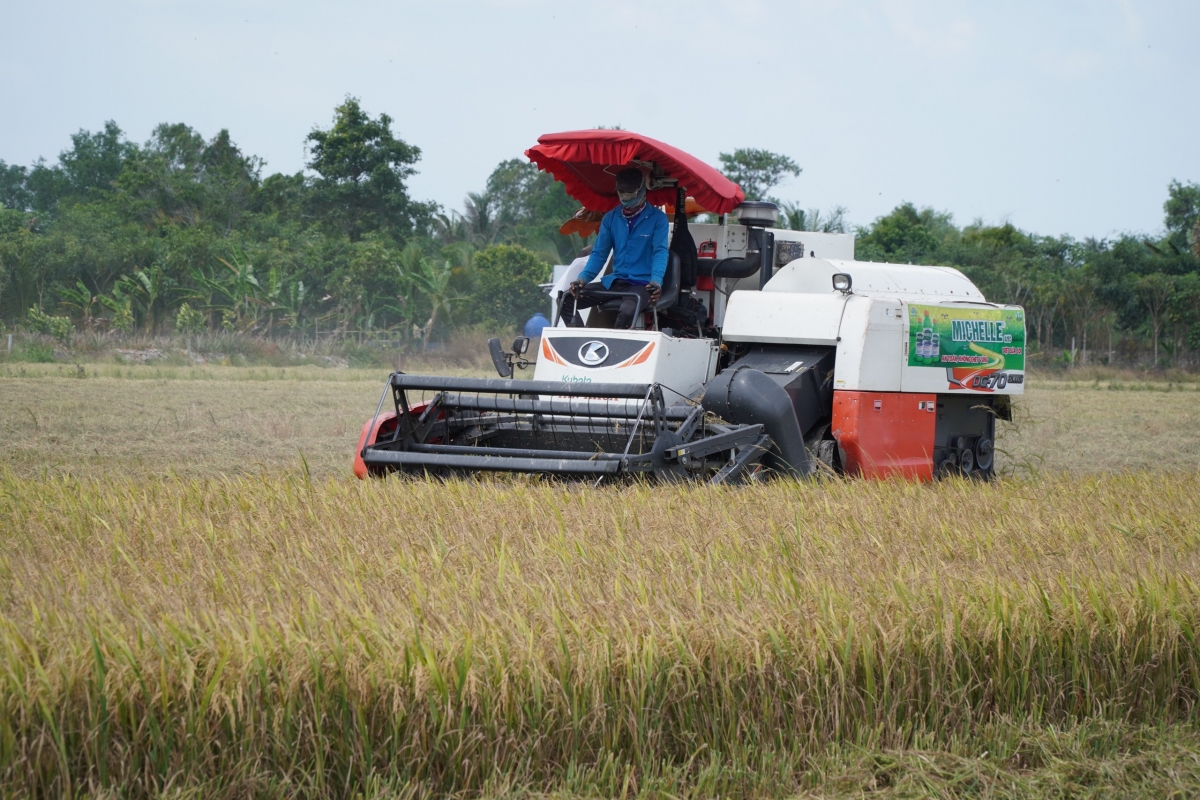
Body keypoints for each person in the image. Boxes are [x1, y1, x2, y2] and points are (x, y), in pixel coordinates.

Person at [561, 167, 669, 329]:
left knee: (627, 312)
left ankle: (613, 342)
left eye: (630, 194)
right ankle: (582, 339)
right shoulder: (610, 218)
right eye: (621, 193)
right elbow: (599, 254)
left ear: (641, 190)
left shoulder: (658, 219)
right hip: (614, 282)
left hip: (642, 285)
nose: (625, 198)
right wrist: (583, 279)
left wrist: (656, 281)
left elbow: (660, 252)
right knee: (565, 300)